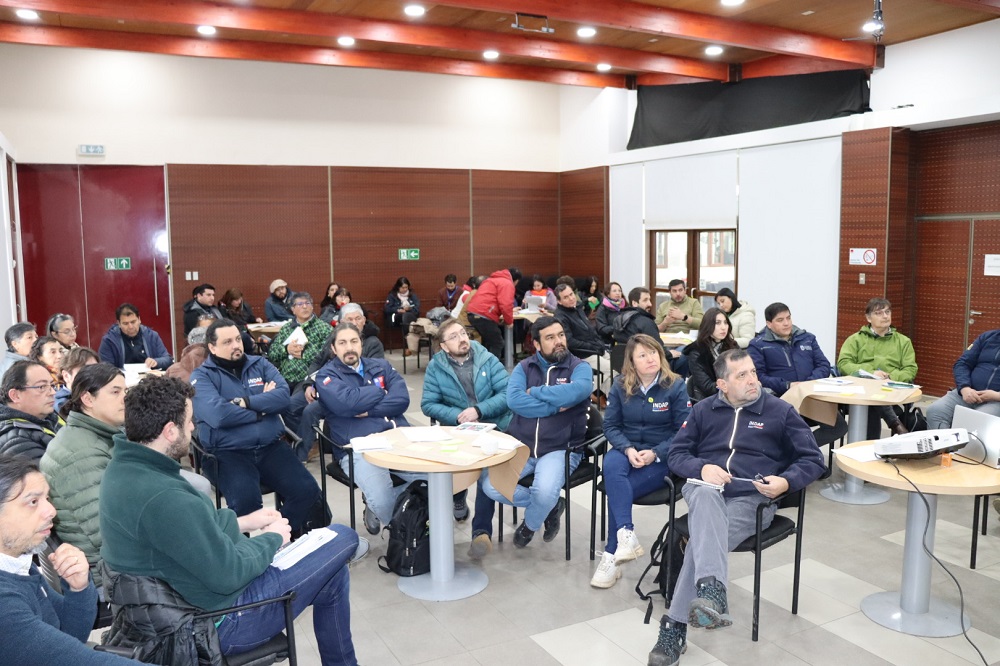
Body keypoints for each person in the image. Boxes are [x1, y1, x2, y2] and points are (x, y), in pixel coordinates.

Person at [99, 376, 360, 665]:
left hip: (174, 610)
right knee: (342, 536)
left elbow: (191, 533)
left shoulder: (124, 468)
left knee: (332, 570)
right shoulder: (162, 496)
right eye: (189, 421)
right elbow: (229, 574)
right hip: (217, 623)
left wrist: (245, 521)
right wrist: (272, 539)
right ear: (170, 431)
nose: (193, 427)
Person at [646, 349, 825, 666]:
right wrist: (701, 468)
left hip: (752, 501)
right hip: (705, 491)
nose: (752, 380)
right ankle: (711, 590)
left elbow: (813, 460)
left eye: (753, 372)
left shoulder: (779, 411)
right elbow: (677, 454)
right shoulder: (703, 410)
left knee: (698, 545)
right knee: (703, 492)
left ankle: (675, 624)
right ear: (722, 384)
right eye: (741, 375)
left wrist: (785, 482)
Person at [191, 320, 327, 535]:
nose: (236, 345)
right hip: (228, 453)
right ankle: (243, 556)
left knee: (307, 491)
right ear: (212, 347)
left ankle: (276, 538)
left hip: (270, 447)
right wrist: (263, 405)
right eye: (227, 342)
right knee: (246, 503)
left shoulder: (260, 364)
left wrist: (245, 402)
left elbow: (283, 399)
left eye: (237, 339)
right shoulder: (202, 377)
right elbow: (219, 416)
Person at [0, 456, 136, 666]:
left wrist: (79, 588)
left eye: (47, 498)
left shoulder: (19, 564)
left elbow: (69, 633)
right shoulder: (5, 605)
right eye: (33, 502)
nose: (51, 511)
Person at [480, 317, 591, 548]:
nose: (559, 341)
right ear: (537, 344)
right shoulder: (524, 367)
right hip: (522, 445)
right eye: (550, 338)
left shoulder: (579, 367)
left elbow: (578, 390)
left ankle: (529, 526)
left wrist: (537, 391)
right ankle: (551, 506)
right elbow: (515, 401)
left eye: (561, 335)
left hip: (561, 447)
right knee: (490, 486)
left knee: (543, 491)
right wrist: (555, 405)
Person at [591, 334, 689, 589]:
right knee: (611, 465)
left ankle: (612, 554)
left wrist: (656, 453)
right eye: (642, 355)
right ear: (632, 363)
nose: (650, 359)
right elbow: (610, 425)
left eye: (654, 352)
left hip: (662, 457)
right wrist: (627, 448)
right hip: (628, 450)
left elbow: (684, 431)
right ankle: (626, 537)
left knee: (617, 489)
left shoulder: (675, 386)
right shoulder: (621, 384)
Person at [315, 323, 422, 533]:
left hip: (397, 438)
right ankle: (405, 532)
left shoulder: (380, 365)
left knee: (438, 478)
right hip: (357, 448)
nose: (349, 348)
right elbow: (347, 404)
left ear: (361, 344)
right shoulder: (325, 376)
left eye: (354, 341)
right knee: (382, 499)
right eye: (342, 343)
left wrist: (367, 407)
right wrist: (380, 391)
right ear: (334, 349)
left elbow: (401, 399)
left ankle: (415, 522)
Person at [421, 318, 513, 558]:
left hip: (494, 426)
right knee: (454, 464)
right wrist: (458, 416)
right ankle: (458, 497)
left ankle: (480, 533)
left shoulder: (487, 358)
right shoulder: (435, 367)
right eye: (454, 336)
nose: (462, 339)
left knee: (485, 471)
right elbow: (428, 404)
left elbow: (507, 394)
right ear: (443, 345)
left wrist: (479, 411)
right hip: (457, 430)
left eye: (463, 333)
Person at [283, 303, 385, 463]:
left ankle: (300, 457)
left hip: (349, 394)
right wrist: (310, 383)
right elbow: (318, 362)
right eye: (349, 319)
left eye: (358, 318)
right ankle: (309, 442)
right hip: (323, 385)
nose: (354, 322)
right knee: (289, 406)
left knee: (310, 411)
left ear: (364, 320)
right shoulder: (335, 338)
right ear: (340, 321)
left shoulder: (372, 343)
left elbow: (375, 375)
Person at [748, 302, 847, 442]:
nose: (786, 323)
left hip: (811, 396)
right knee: (788, 431)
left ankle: (798, 451)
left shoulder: (807, 338)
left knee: (839, 427)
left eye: (788, 318)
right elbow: (759, 376)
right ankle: (797, 453)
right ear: (769, 324)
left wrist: (806, 383)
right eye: (780, 320)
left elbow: (823, 365)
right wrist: (788, 385)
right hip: (783, 398)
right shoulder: (758, 345)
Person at [837, 298, 916, 438]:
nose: (885, 316)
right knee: (871, 399)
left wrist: (890, 377)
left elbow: (910, 369)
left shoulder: (903, 341)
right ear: (868, 318)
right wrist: (871, 372)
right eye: (879, 313)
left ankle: (867, 447)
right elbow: (843, 363)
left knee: (873, 400)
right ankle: (894, 423)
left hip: (891, 390)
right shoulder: (855, 339)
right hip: (860, 392)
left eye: (887, 312)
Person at [926, 328, 1000, 429]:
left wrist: (996, 395)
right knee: (935, 411)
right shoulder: (987, 337)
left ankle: (967, 444)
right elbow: (962, 364)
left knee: (975, 420)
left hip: (996, 401)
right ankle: (946, 444)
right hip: (968, 393)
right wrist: (965, 388)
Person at [553, 283, 612, 399]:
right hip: (582, 354)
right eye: (566, 297)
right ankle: (588, 391)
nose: (571, 298)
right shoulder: (560, 317)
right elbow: (569, 342)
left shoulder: (577, 308)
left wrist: (599, 345)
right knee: (612, 369)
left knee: (619, 368)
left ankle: (603, 397)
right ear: (559, 301)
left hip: (596, 349)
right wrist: (593, 347)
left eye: (571, 294)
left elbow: (590, 330)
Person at [0, 360, 63, 460]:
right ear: (15, 396)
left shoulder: (48, 417)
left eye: (52, 385)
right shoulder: (16, 442)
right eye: (41, 387)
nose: (53, 392)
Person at [267, 291, 330, 389]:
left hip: (307, 380)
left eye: (307, 303)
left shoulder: (324, 328)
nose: (304, 307)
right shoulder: (286, 328)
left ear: (312, 306)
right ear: (293, 309)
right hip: (285, 378)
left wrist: (303, 354)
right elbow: (272, 354)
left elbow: (327, 356)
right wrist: (286, 349)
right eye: (300, 304)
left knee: (291, 403)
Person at [683, 307, 738, 402]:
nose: (723, 327)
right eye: (718, 323)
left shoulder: (732, 346)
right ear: (708, 325)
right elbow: (707, 387)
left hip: (735, 396)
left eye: (725, 322)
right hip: (708, 400)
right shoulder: (697, 352)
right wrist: (734, 384)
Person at [98, 303, 173, 370]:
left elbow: (167, 359)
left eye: (133, 322)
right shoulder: (109, 340)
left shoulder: (152, 336)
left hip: (150, 379)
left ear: (139, 320)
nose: (130, 327)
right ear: (119, 324)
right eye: (125, 323)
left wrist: (156, 362)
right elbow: (105, 368)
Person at [466, 267, 519, 360]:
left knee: (488, 343)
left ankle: (483, 367)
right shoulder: (507, 283)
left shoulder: (491, 280)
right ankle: (492, 370)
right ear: (516, 280)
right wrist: (509, 321)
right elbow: (506, 304)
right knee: (497, 343)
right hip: (483, 314)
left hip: (473, 312)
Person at [612, 287, 669, 352]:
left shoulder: (618, 319)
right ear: (634, 303)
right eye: (645, 300)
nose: (650, 304)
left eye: (649, 300)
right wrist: (670, 354)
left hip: (621, 360)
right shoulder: (646, 322)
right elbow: (658, 348)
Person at [383, 276, 422, 357]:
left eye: (406, 287)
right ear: (398, 287)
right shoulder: (392, 295)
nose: (405, 289)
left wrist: (409, 309)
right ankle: (409, 346)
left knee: (407, 316)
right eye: (402, 287)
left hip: (410, 317)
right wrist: (398, 309)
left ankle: (409, 347)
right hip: (397, 318)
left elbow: (417, 308)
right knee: (404, 316)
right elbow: (387, 309)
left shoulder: (412, 295)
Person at [54, 346, 99, 412]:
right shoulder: (61, 405)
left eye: (96, 370)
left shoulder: (100, 393)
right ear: (66, 376)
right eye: (85, 371)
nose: (92, 375)